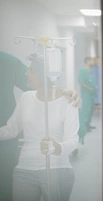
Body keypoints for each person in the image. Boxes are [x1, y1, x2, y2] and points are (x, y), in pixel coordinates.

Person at [0, 51, 79, 201]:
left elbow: (73, 140)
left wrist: (57, 147)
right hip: (24, 170)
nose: (26, 73)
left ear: (44, 75)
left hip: (56, 169)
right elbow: (11, 129)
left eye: (31, 70)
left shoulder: (68, 102)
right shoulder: (26, 98)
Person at [77, 57, 97, 144]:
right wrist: (88, 88)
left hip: (92, 94)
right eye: (92, 60)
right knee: (86, 110)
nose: (93, 62)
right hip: (86, 94)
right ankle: (83, 127)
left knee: (91, 110)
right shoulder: (83, 70)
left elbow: (91, 80)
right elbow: (81, 82)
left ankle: (88, 125)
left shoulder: (90, 70)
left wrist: (94, 87)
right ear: (88, 61)